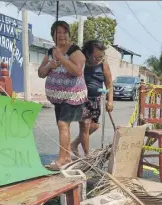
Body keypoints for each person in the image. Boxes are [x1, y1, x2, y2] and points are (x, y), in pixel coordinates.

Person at [38, 21, 87, 170]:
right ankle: (66, 156)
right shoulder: (50, 52)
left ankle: (62, 159)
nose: (61, 35)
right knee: (62, 126)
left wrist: (62, 57)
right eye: (58, 32)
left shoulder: (75, 50)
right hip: (58, 97)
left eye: (64, 32)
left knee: (62, 124)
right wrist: (50, 65)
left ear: (68, 34)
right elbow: (41, 73)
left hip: (73, 96)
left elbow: (77, 71)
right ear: (53, 35)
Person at [71, 40, 113, 157]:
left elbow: (109, 84)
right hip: (81, 98)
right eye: (95, 57)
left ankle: (74, 144)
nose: (98, 59)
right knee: (85, 124)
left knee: (94, 126)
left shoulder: (103, 64)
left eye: (101, 56)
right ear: (87, 54)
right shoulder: (81, 61)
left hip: (96, 99)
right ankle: (87, 156)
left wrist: (110, 100)